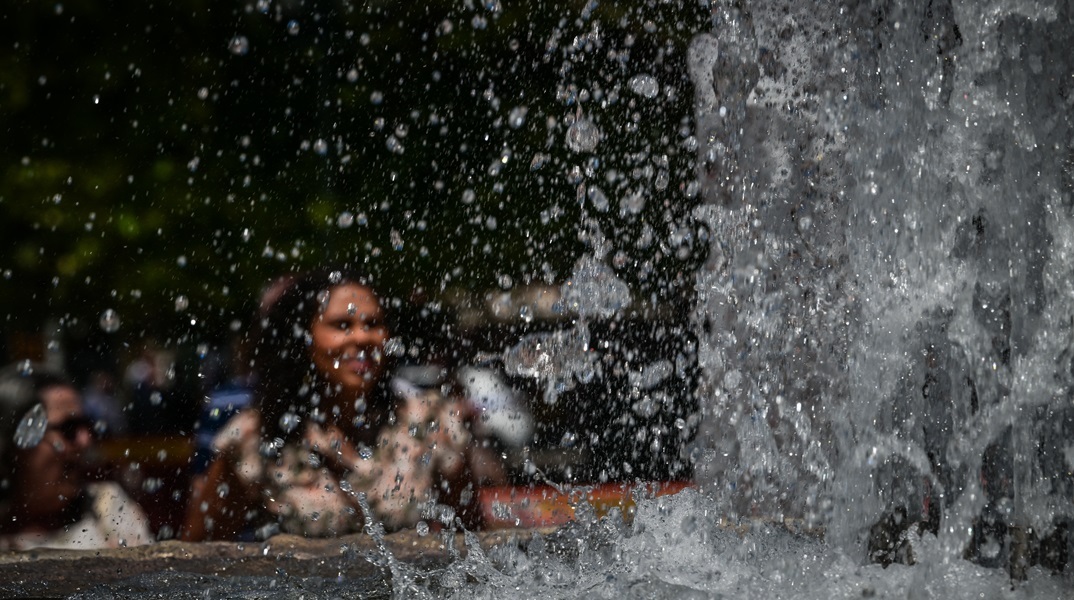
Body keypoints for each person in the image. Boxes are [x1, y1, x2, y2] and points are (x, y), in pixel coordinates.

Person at [181, 268, 501, 541]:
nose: (362, 338)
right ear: (303, 338)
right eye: (342, 325)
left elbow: (471, 542)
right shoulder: (258, 439)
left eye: (373, 324)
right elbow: (199, 557)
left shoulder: (430, 424)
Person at [0, 363, 154, 550]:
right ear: (15, 440)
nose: (85, 441)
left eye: (86, 425)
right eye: (68, 428)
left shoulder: (107, 508)